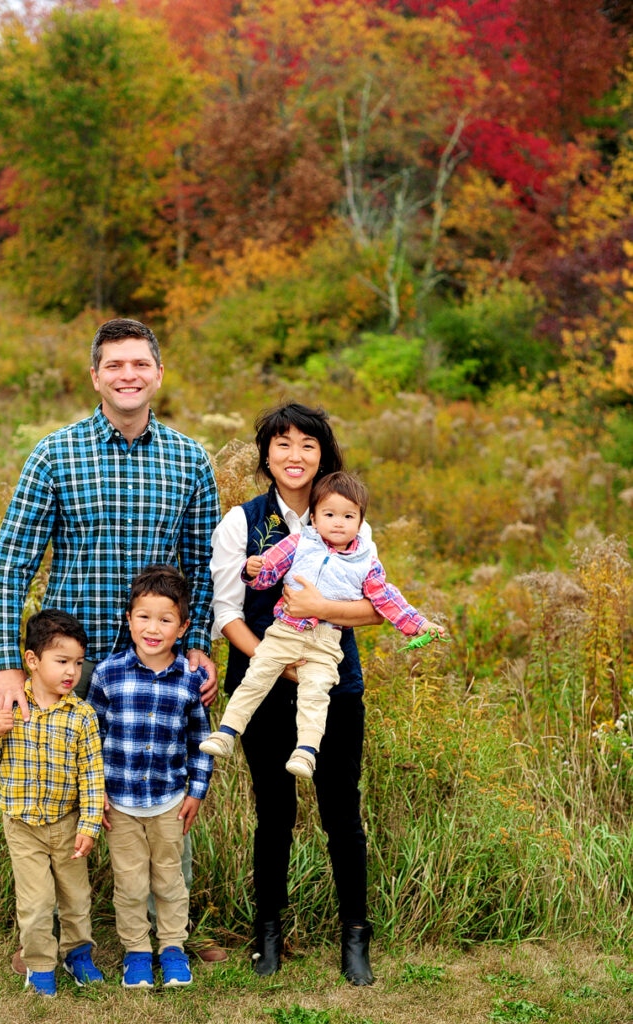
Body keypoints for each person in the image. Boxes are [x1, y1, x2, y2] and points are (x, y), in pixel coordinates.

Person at [0, 316, 224, 968]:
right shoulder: (54, 455)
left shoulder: (189, 460)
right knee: (65, 809)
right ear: (95, 376)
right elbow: (11, 564)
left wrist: (197, 641)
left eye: (138, 364)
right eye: (114, 365)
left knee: (162, 796)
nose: (127, 375)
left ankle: (161, 938)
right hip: (73, 670)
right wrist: (7, 665)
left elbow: (203, 567)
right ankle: (68, 940)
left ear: (157, 374)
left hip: (158, 666)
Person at [210, 402, 442, 986]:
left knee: (342, 810)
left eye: (307, 445)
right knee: (274, 814)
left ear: (324, 454)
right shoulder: (242, 523)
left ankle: (355, 934)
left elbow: (376, 606)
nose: (295, 455)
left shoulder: (350, 521)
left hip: (335, 682)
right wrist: (277, 663)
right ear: (265, 454)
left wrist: (319, 610)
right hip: (264, 681)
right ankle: (268, 931)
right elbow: (227, 614)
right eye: (282, 444)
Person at [203, 471, 441, 779]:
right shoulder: (298, 543)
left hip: (326, 641)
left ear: (360, 523)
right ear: (314, 519)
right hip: (285, 631)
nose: (338, 522)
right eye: (329, 514)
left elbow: (386, 599)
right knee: (257, 676)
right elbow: (267, 575)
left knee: (315, 692)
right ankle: (225, 732)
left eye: (348, 516)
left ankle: (306, 751)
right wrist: (252, 570)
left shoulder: (366, 561)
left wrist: (420, 625)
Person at [87, 566, 213, 989]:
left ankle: (173, 947)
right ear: (128, 619)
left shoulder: (190, 680)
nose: (153, 628)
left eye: (165, 619)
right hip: (119, 803)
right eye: (143, 617)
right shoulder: (108, 674)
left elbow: (200, 740)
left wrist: (196, 792)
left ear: (183, 626)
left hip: (170, 801)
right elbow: (92, 740)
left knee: (170, 878)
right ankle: (137, 951)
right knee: (130, 883)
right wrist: (95, 794)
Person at [0, 609, 105, 997]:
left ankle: (77, 952)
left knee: (75, 897)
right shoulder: (11, 706)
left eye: (78, 663)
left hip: (67, 823)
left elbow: (92, 776)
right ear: (32, 660)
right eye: (62, 661)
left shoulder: (82, 715)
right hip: (22, 825)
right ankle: (40, 963)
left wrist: (89, 825)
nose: (72, 672)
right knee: (35, 902)